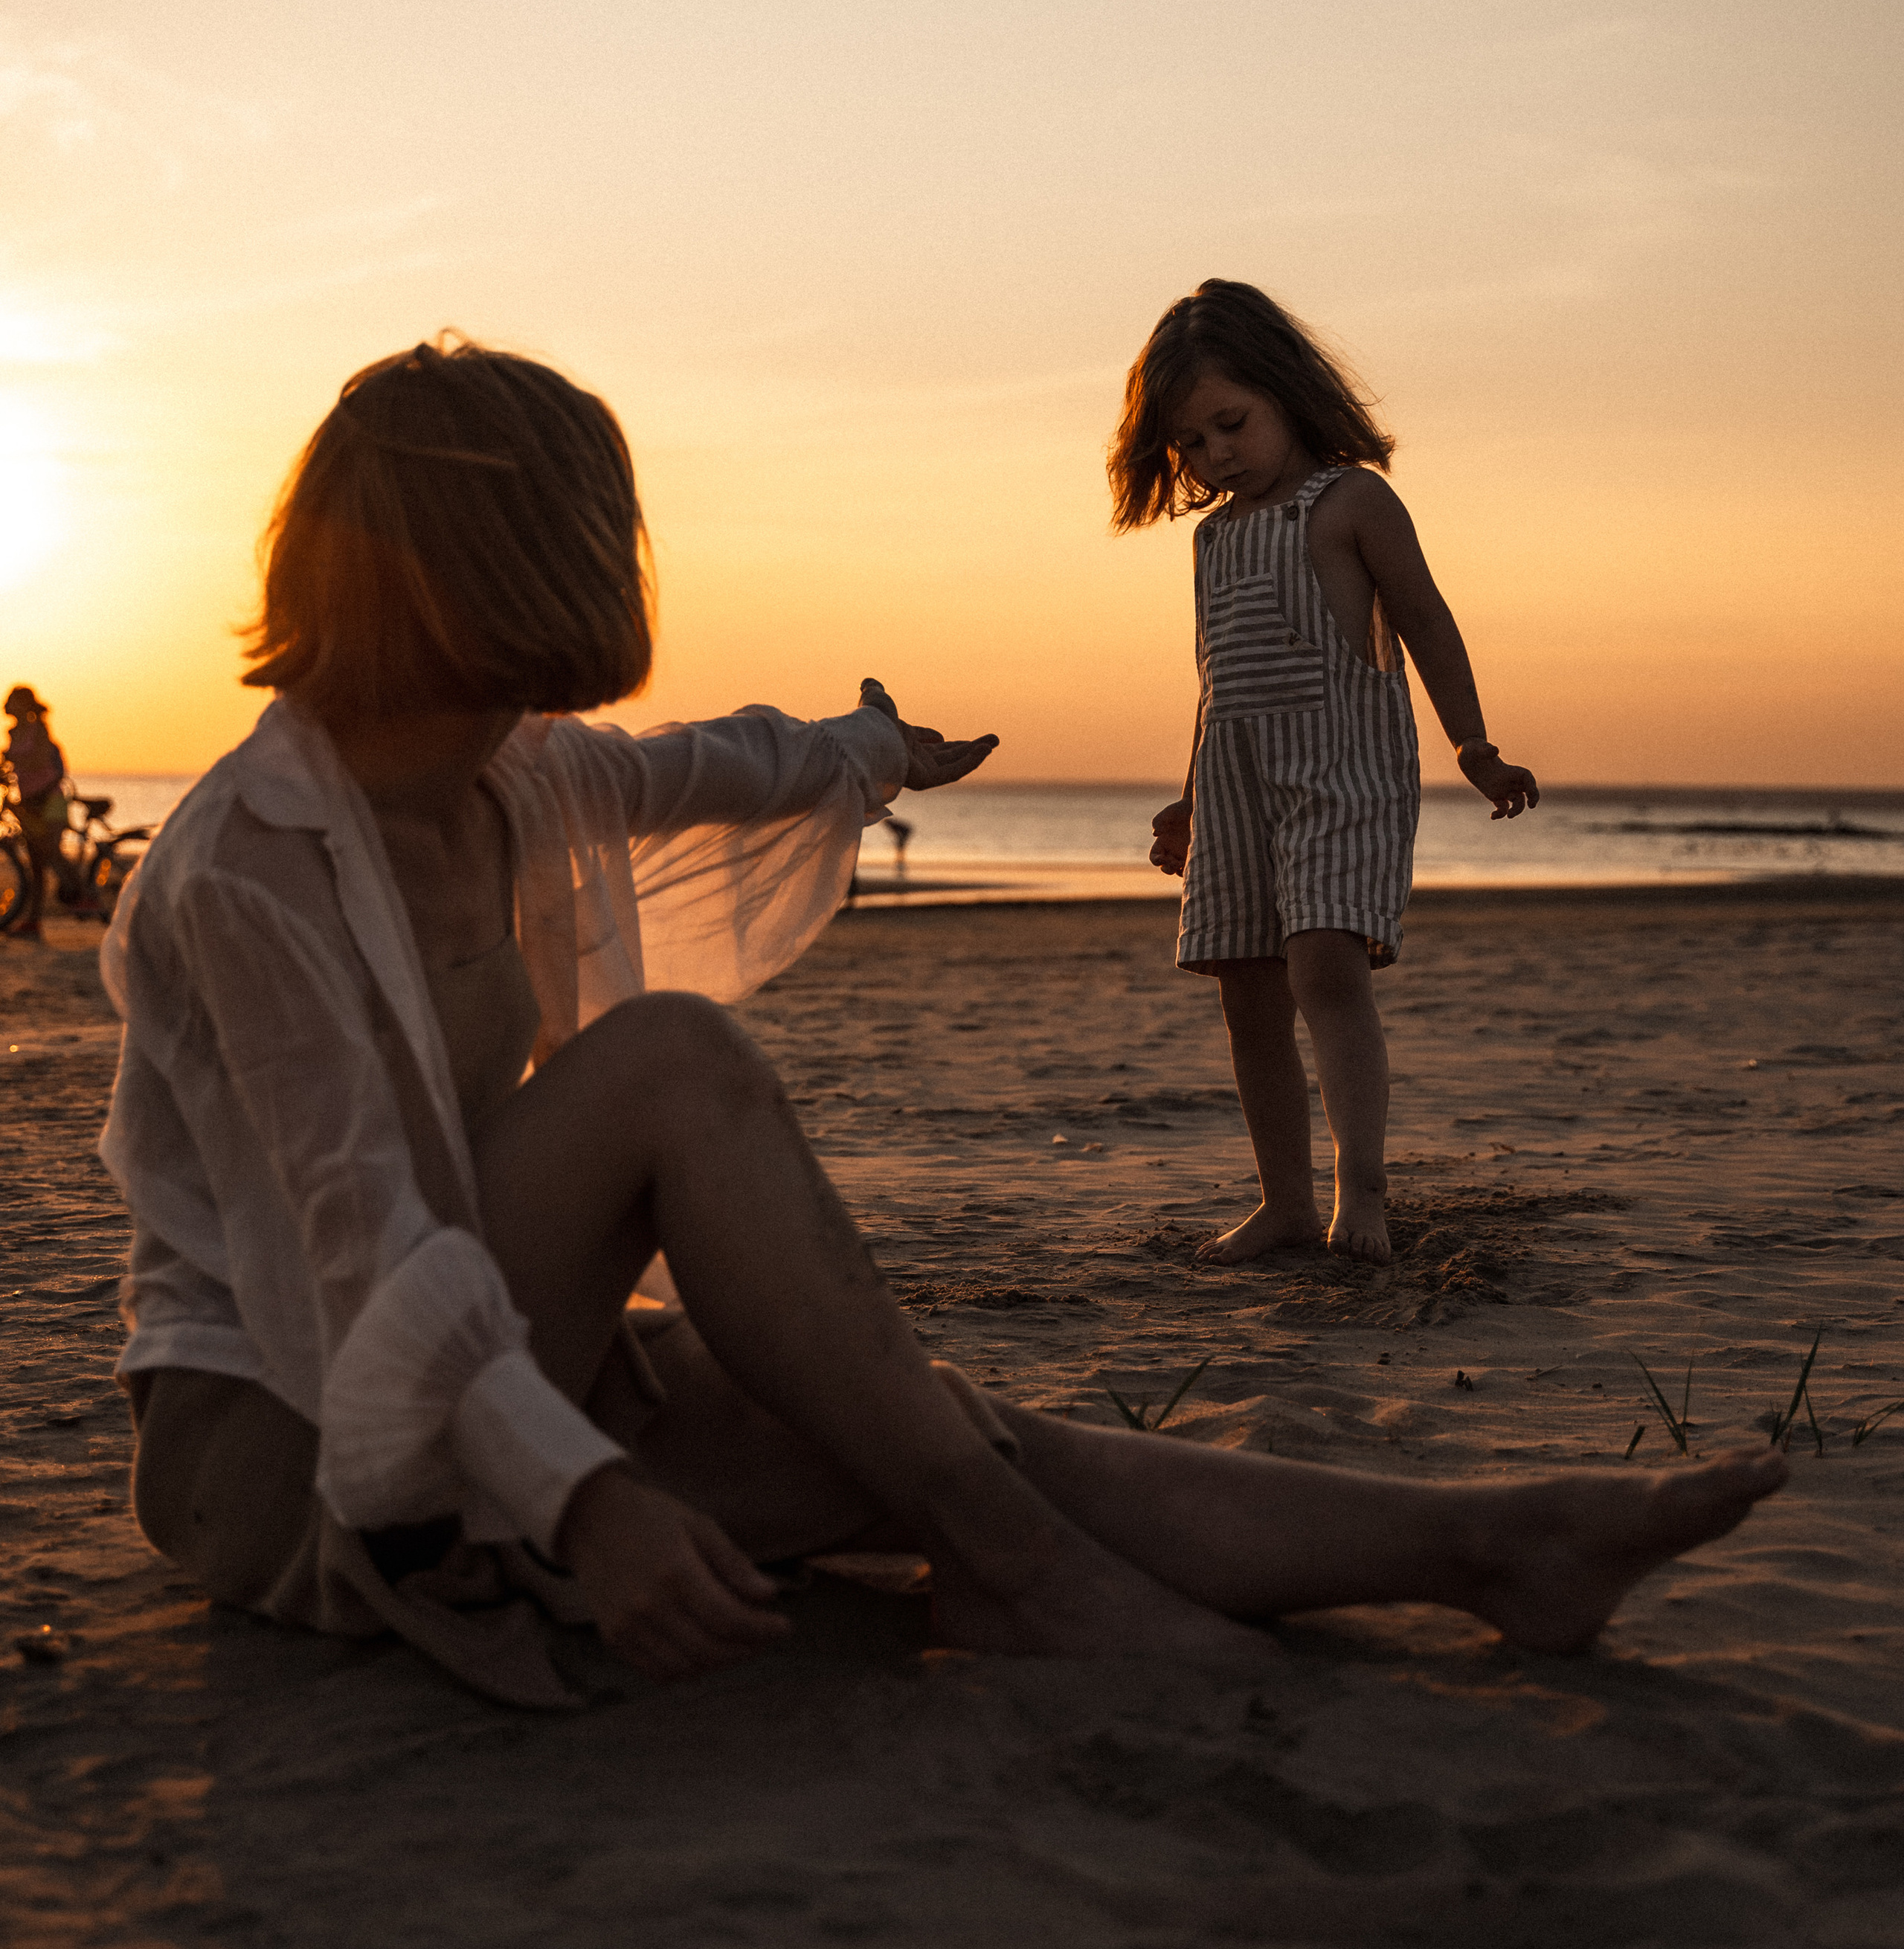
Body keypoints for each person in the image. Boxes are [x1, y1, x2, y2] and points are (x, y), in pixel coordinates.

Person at [100, 335, 1781, 1707]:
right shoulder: (249, 865)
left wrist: (873, 747)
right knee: (670, 1062)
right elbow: (359, 1251)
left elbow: (712, 761)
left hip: (503, 1327)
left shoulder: (511, 781)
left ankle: (1491, 1546)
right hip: (295, 1437)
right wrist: (588, 1496)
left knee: (931, 1428)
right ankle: (1030, 1574)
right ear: (491, 562)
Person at [1110, 278, 1539, 1267]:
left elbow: (1426, 620)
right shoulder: (1213, 537)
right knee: (1247, 988)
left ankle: (1366, 1199)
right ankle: (1285, 1204)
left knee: (1323, 970)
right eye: (1192, 444)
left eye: (1231, 423)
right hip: (1238, 787)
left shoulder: (1349, 504)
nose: (1217, 454)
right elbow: (1217, 680)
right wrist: (1188, 797)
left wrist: (1473, 747)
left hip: (1343, 776)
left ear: (1285, 392)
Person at [4, 684, 71, 934]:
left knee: (51, 851)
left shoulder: (39, 729)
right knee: (37, 864)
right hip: (30, 802)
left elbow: (39, 760)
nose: (6, 704)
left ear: (23, 704)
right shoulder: (13, 732)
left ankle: (84, 896)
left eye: (11, 700)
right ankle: (34, 922)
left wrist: (12, 758)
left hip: (49, 800)